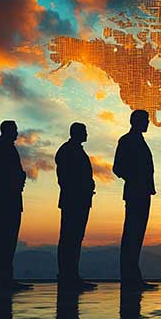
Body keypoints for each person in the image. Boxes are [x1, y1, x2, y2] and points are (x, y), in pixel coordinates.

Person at [0, 120, 32, 293]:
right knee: (2, 239)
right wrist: (1, 187)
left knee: (8, 240)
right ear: (7, 131)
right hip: (4, 200)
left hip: (11, 199)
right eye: (15, 130)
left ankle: (5, 278)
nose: (17, 133)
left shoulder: (6, 148)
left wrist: (18, 179)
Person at [113, 110, 157, 291]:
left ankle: (133, 277)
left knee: (137, 235)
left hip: (143, 192)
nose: (148, 123)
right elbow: (118, 167)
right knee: (132, 235)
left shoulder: (138, 140)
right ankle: (130, 279)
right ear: (136, 121)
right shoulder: (127, 141)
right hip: (135, 193)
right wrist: (135, 179)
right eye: (145, 120)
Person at [55, 122, 97, 291]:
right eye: (84, 131)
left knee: (75, 238)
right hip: (74, 201)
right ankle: (67, 276)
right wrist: (81, 189)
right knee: (69, 238)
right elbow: (65, 177)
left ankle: (71, 275)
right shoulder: (67, 151)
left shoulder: (74, 150)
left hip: (80, 200)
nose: (87, 134)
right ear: (77, 133)